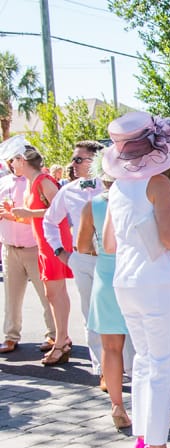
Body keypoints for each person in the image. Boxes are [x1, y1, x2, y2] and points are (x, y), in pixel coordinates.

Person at [102, 111, 170, 448]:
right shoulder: (157, 183)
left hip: (125, 280)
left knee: (143, 362)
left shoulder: (116, 188)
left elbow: (109, 245)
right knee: (161, 364)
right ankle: (157, 445)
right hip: (156, 280)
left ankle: (143, 438)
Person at [76, 152, 133, 429]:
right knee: (145, 345)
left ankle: (117, 405)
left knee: (111, 348)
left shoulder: (93, 205)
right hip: (134, 272)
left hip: (106, 273)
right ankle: (149, 403)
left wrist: (100, 249)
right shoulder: (137, 201)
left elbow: (81, 245)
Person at [43, 140, 106, 379]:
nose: (73, 164)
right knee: (90, 314)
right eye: (73, 159)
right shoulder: (68, 190)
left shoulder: (112, 187)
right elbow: (50, 221)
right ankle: (102, 369)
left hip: (111, 259)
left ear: (94, 161)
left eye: (79, 159)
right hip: (82, 259)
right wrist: (60, 251)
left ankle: (124, 365)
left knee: (119, 312)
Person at [10, 144, 73, 365]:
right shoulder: (32, 182)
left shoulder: (43, 181)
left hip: (53, 243)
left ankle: (61, 341)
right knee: (53, 294)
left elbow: (61, 210)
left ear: (23, 160)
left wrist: (28, 213)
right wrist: (19, 215)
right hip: (44, 243)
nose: (11, 164)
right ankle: (62, 339)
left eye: (14, 160)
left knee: (55, 294)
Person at [0, 136, 55, 354]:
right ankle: (10, 336)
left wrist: (17, 216)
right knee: (11, 297)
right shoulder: (4, 182)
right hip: (10, 247)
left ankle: (54, 334)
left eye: (13, 159)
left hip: (34, 246)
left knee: (47, 294)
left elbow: (52, 212)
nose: (10, 163)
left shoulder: (37, 181)